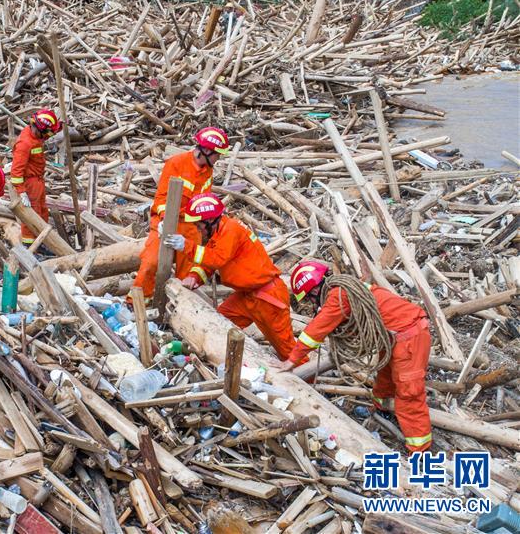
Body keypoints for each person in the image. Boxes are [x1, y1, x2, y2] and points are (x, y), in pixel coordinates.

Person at [277, 260, 432, 454]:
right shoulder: (344, 288)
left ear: (314, 291)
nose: (311, 303)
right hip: (394, 335)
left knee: (410, 393)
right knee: (385, 376)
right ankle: (382, 409)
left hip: (409, 336)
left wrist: (292, 360)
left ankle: (420, 450)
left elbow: (315, 331)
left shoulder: (339, 296)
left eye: (309, 298)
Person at [178, 193, 297, 361]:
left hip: (268, 298)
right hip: (247, 296)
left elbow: (217, 258)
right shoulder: (218, 233)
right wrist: (194, 277)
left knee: (288, 351)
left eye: (199, 225)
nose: (198, 229)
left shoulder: (231, 230)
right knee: (218, 324)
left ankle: (306, 382)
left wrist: (186, 246)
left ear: (211, 220)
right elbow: (210, 262)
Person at [130, 127, 230, 302]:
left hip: (191, 226)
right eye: (217, 154)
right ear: (206, 151)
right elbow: (160, 199)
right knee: (151, 263)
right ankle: (136, 303)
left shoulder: (208, 170)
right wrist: (164, 220)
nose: (219, 158)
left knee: (189, 271)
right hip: (167, 221)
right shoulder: (176, 164)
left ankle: (180, 306)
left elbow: (203, 202)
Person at [10, 109, 62, 246]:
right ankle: (30, 247)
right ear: (39, 129)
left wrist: (60, 125)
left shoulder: (35, 135)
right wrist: (22, 192)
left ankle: (41, 241)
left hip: (38, 180)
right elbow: (15, 172)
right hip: (30, 184)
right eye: (46, 133)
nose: (46, 137)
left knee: (42, 212)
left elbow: (49, 131)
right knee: (31, 217)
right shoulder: (25, 144)